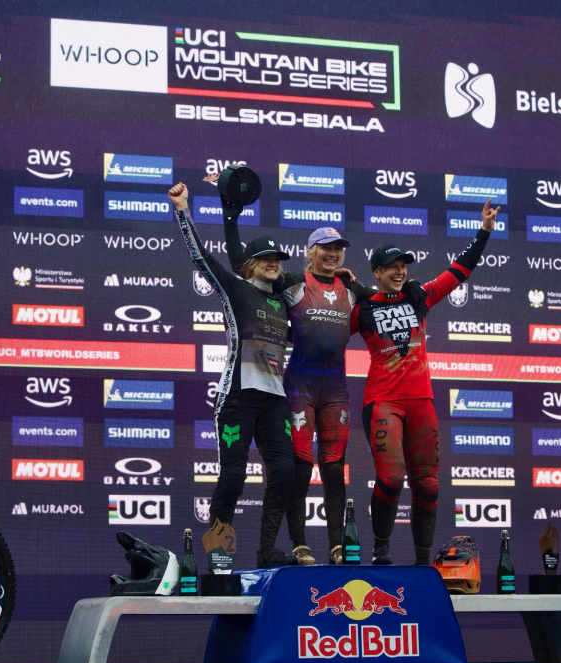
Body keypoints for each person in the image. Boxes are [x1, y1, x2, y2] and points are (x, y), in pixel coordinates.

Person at [208, 174, 366, 565]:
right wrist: (231, 217)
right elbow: (241, 267)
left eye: (338, 249)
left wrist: (406, 293)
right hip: (294, 387)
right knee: (293, 469)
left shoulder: (351, 288)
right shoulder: (291, 281)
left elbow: (384, 303)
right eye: (325, 248)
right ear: (310, 253)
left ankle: (331, 546)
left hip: (332, 390)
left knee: (329, 469)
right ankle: (295, 544)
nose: (333, 254)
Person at [352, 199, 501, 565]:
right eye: (391, 268)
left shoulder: (420, 296)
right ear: (377, 272)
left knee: (428, 484)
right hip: (383, 401)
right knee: (390, 479)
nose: (399, 272)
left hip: (421, 401)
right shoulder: (362, 306)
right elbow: (321, 333)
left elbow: (459, 271)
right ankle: (381, 551)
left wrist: (483, 231)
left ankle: (421, 563)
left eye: (403, 266)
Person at [168, 181, 297, 568]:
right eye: (265, 258)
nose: (274, 262)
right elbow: (202, 258)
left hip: (275, 399)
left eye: (277, 258)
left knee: (286, 471)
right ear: (250, 264)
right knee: (234, 475)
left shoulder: (284, 301)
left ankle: (267, 550)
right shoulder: (237, 290)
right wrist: (182, 210)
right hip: (238, 396)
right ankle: (218, 552)